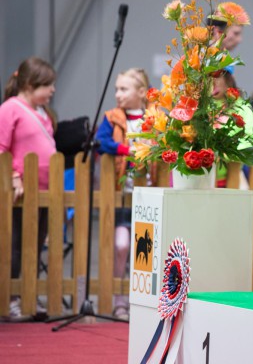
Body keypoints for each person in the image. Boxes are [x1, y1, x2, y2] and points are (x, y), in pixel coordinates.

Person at [95, 67, 156, 320]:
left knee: (144, 250)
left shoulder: (154, 117)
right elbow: (101, 142)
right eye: (117, 89)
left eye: (124, 89)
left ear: (141, 92)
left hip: (148, 193)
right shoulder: (112, 118)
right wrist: (124, 149)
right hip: (121, 194)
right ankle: (119, 298)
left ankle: (140, 300)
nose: (118, 94)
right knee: (121, 245)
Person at [0, 57, 57, 320]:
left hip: (45, 192)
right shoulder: (10, 109)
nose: (53, 90)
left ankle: (29, 294)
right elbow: (1, 148)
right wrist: (13, 177)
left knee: (35, 245)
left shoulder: (44, 112)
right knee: (15, 245)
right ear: (30, 84)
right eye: (48, 85)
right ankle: (10, 297)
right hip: (20, 193)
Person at [211, 69, 253, 188]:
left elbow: (252, 141)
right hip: (204, 175)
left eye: (216, 76)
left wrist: (227, 153)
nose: (212, 82)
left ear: (228, 79)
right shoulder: (200, 106)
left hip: (233, 175)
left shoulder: (242, 106)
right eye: (207, 77)